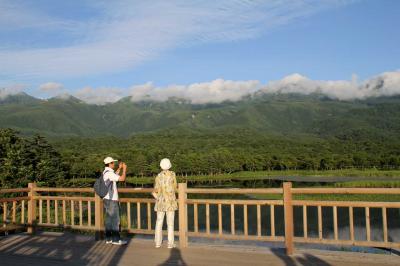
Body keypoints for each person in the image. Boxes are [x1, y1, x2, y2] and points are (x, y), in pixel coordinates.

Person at [152, 158, 178, 248]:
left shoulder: (158, 176)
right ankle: (170, 243)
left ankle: (158, 242)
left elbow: (156, 189)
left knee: (159, 222)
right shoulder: (173, 174)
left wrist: (158, 196)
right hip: (170, 202)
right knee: (170, 223)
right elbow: (175, 186)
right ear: (169, 165)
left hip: (160, 202)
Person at [103, 156, 127, 245]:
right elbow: (122, 179)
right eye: (113, 163)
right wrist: (124, 169)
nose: (114, 164)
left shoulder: (106, 172)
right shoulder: (109, 173)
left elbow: (115, 177)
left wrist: (119, 168)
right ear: (109, 164)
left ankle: (108, 239)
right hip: (112, 199)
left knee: (109, 219)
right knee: (115, 219)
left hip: (106, 198)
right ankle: (116, 240)